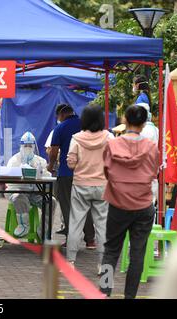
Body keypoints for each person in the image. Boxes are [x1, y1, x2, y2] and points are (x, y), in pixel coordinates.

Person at [99, 104, 160, 299]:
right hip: (143, 205)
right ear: (144, 123)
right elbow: (153, 172)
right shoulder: (151, 147)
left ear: (124, 119)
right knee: (137, 254)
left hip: (118, 204)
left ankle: (104, 291)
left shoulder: (113, 144)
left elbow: (106, 172)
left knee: (110, 251)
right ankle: (130, 296)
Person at [66, 105, 113, 272]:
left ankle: (70, 262)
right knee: (102, 225)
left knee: (75, 223)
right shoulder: (109, 137)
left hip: (80, 185)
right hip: (102, 186)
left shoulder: (76, 138)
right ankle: (103, 265)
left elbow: (71, 163)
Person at [47, 103, 95, 248]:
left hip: (67, 173)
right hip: (86, 172)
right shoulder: (86, 125)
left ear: (61, 115)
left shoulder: (60, 128)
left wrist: (50, 165)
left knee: (68, 206)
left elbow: (53, 151)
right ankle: (90, 240)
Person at [6, 132, 58, 238]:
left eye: (30, 145)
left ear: (34, 146)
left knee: (51, 201)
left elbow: (47, 177)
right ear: (21, 145)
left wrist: (40, 172)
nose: (28, 148)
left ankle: (44, 231)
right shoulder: (14, 161)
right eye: (25, 145)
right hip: (19, 191)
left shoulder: (40, 161)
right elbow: (8, 179)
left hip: (36, 192)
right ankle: (24, 225)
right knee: (18, 197)